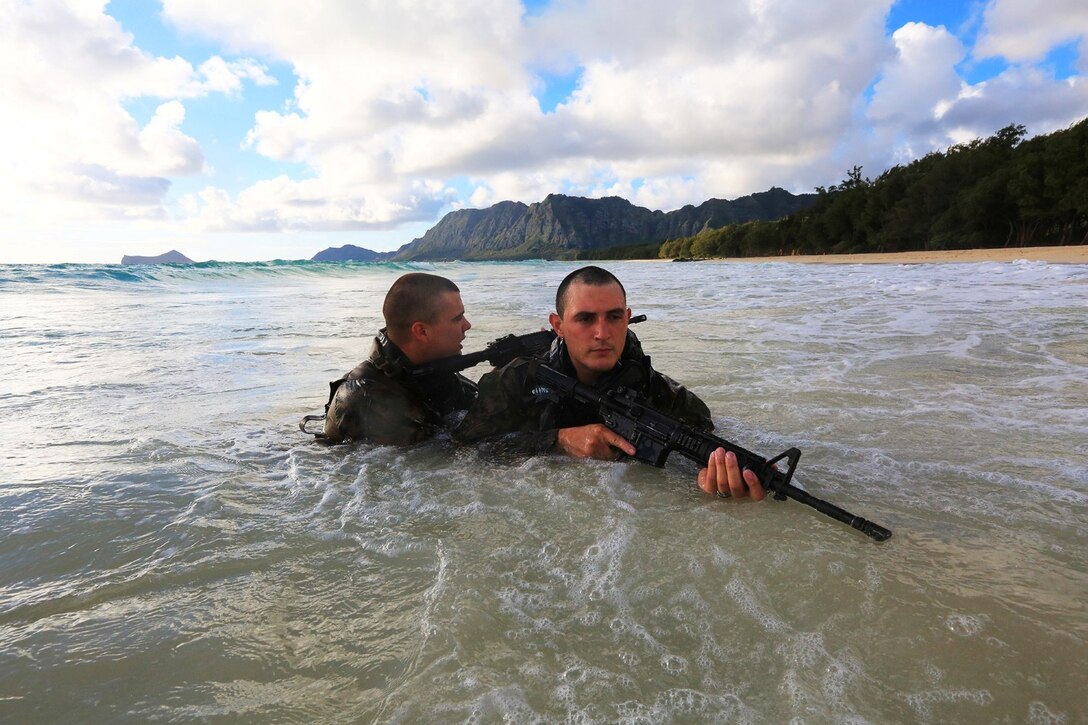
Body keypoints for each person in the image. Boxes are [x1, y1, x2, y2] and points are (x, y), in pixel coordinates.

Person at [453, 266, 766, 499]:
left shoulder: (658, 392)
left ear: (627, 318)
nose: (602, 333)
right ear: (558, 325)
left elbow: (703, 436)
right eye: (585, 319)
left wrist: (715, 480)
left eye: (614, 317)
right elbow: (466, 453)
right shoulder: (515, 380)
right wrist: (558, 441)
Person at [321, 272, 477, 445]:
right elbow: (442, 459)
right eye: (457, 318)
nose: (467, 325)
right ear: (422, 331)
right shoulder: (367, 397)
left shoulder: (428, 371)